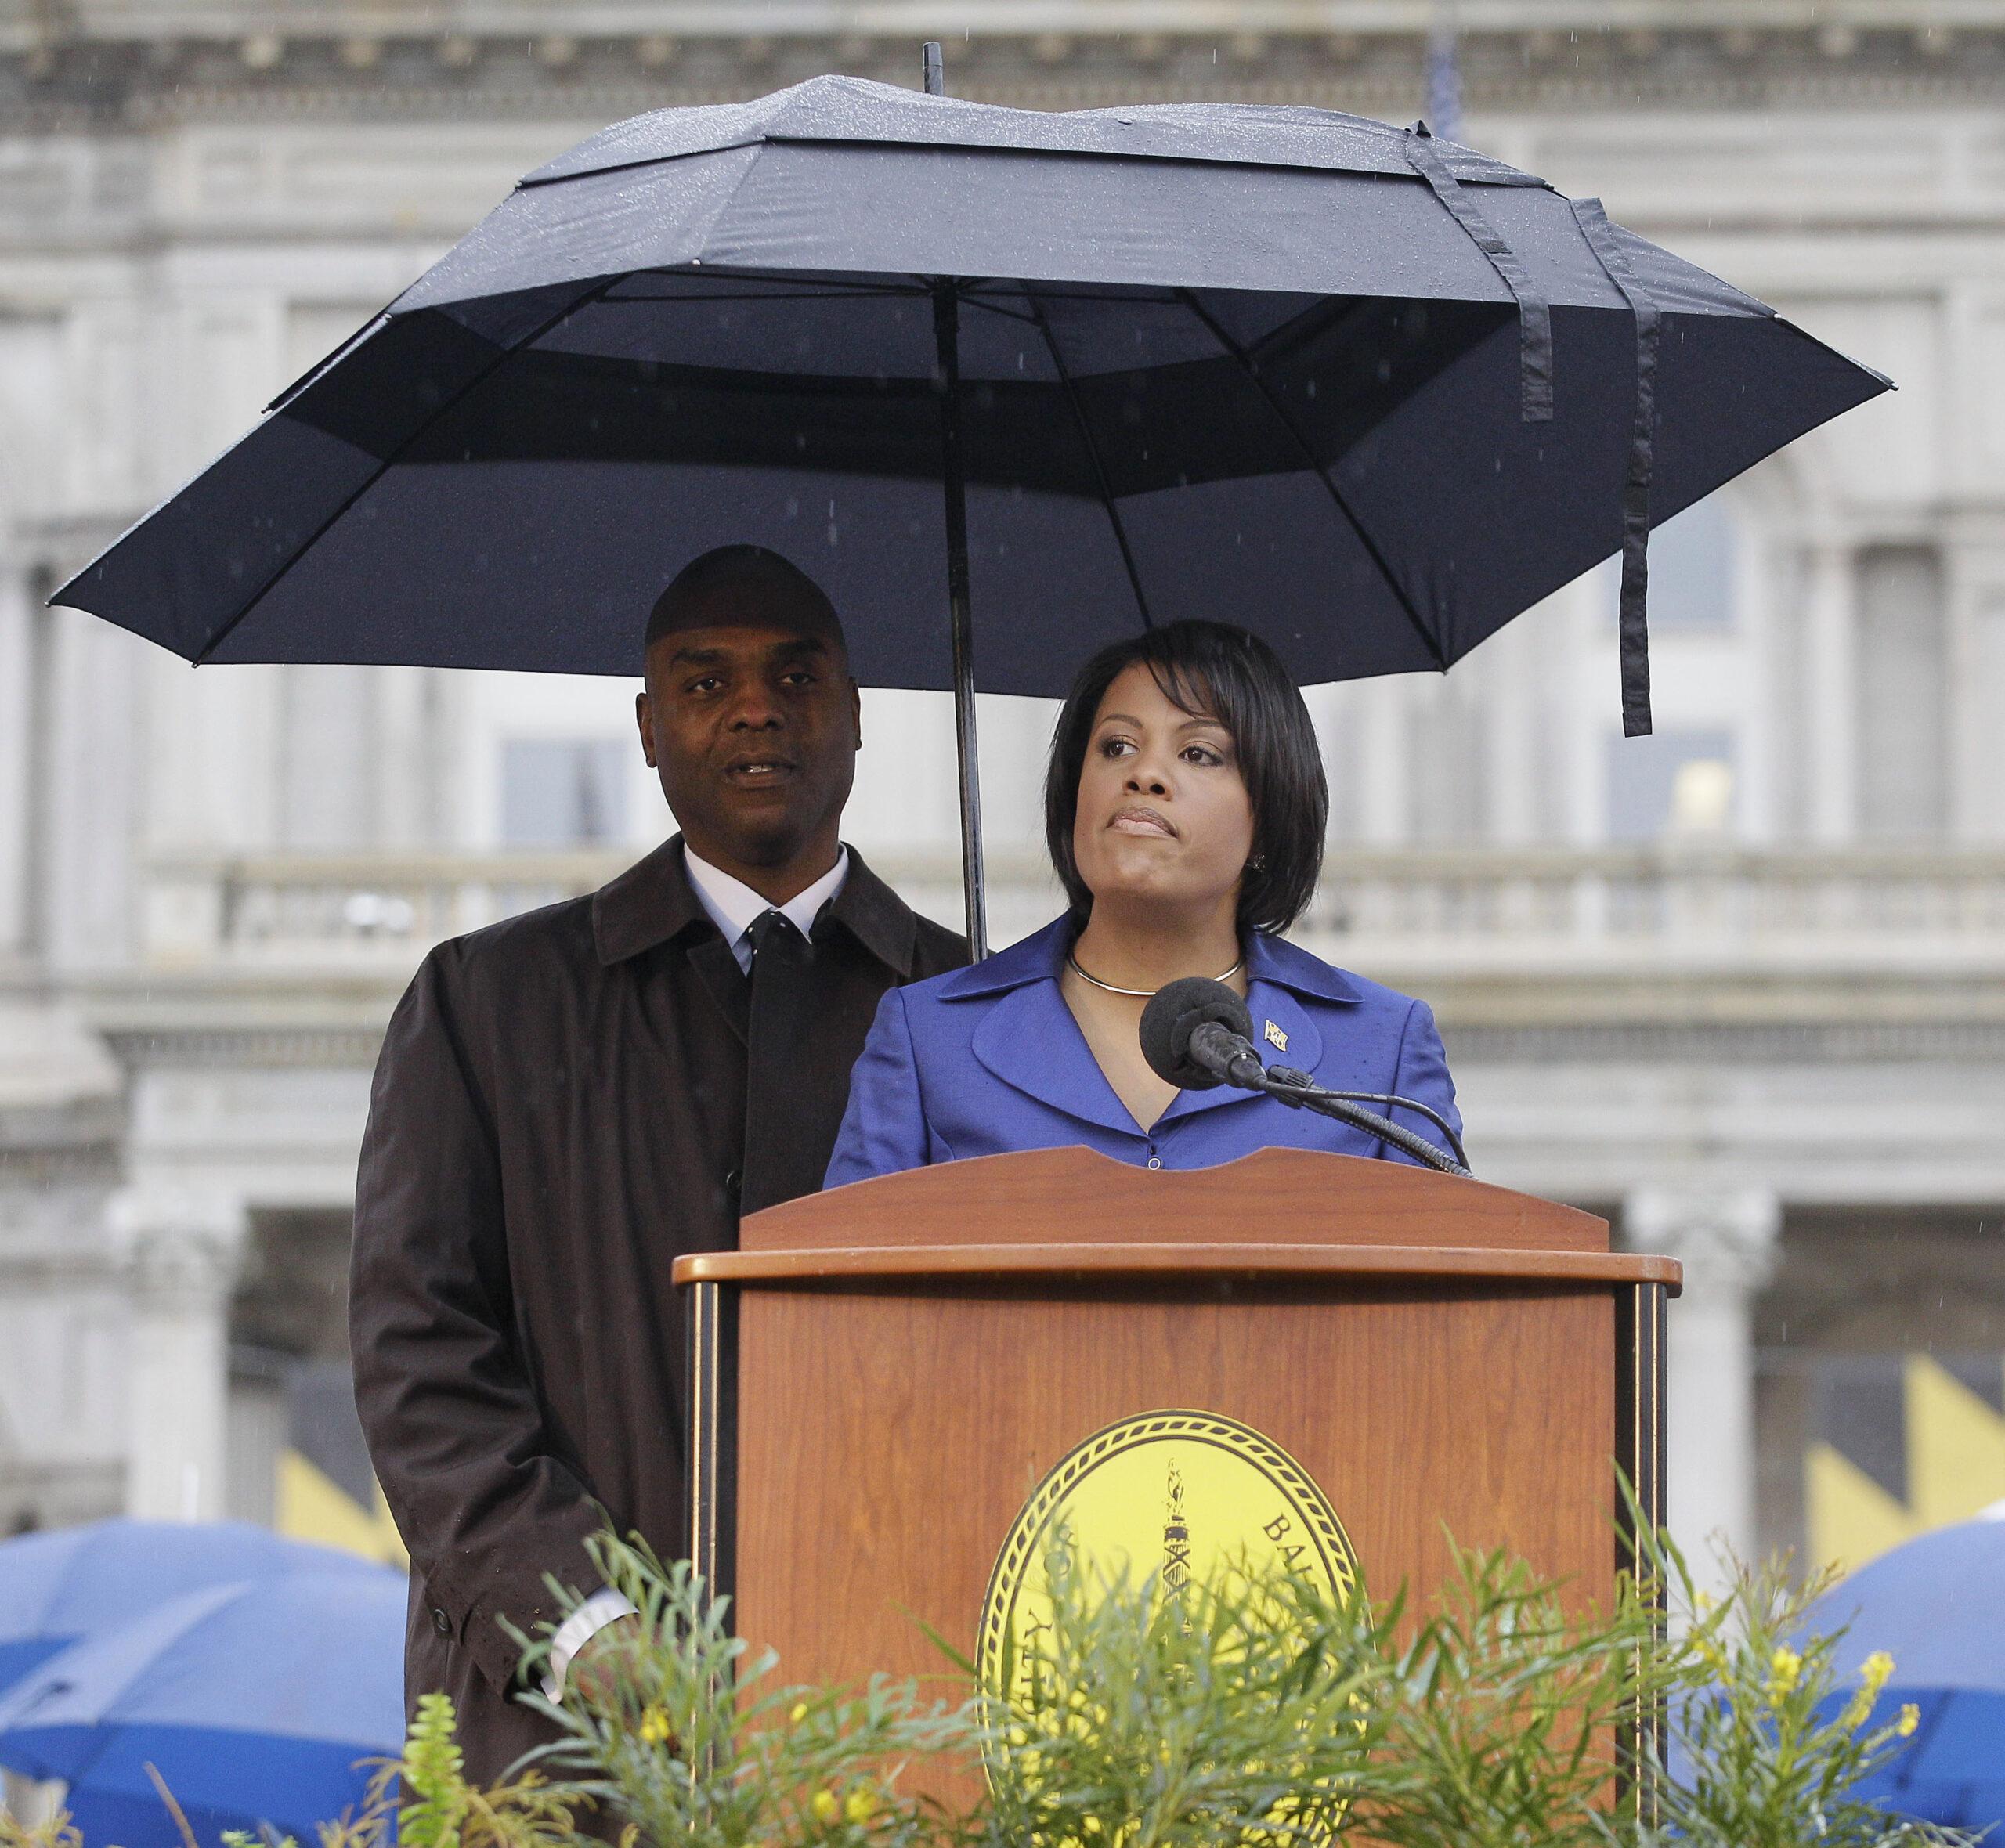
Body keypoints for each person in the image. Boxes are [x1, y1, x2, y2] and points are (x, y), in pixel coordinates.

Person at [350, 546, 963, 1781]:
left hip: (890, 1734)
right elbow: (420, 1354)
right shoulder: (487, 1005)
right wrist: (581, 1620)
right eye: (703, 679)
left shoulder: (979, 1013)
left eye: (798, 674)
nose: (755, 707)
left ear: (858, 716)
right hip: (559, 1750)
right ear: (643, 726)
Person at [825, 619, 1458, 1184]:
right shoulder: (928, 1035)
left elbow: (1452, 1305)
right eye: (1117, 747)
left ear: (1268, 818)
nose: (1144, 774)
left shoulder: (1383, 1048)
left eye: (1198, 753)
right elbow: (842, 1300)